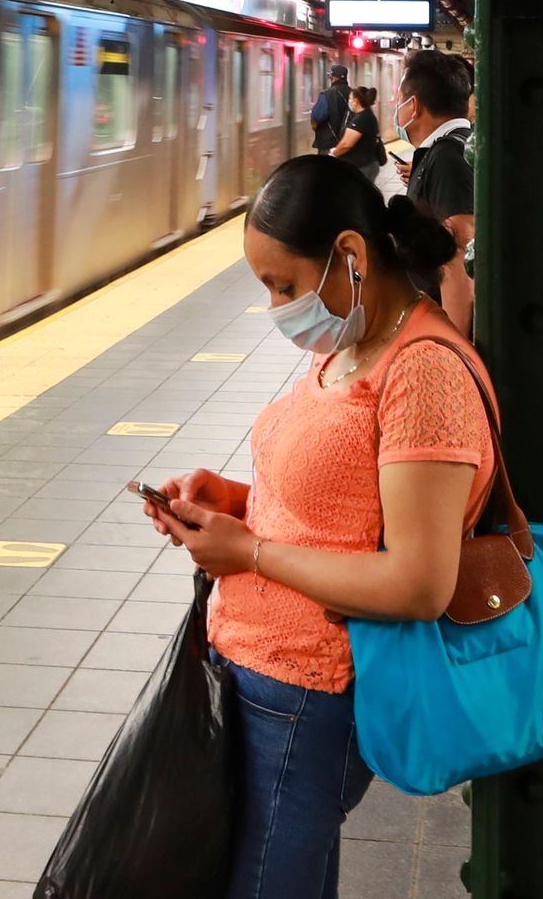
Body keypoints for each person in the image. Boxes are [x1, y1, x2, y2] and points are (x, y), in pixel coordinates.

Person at [145, 155, 497, 899]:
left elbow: (418, 581)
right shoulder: (352, 342)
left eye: (284, 285)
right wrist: (232, 502)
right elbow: (340, 511)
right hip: (259, 679)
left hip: (309, 693)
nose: (277, 306)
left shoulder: (423, 372)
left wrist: (249, 552)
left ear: (350, 255)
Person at [396, 50, 474, 334]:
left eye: (399, 101)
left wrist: (454, 341)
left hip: (440, 321)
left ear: (413, 106)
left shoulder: (446, 157)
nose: (397, 109)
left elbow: (459, 253)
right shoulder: (453, 147)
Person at [327, 86, 385, 182]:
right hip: (364, 165)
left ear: (356, 101)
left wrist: (334, 153)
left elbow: (346, 144)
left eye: (350, 99)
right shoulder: (365, 115)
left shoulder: (362, 119)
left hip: (362, 167)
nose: (349, 102)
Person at [309, 63, 351, 154]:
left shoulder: (327, 94)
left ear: (333, 78)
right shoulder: (354, 94)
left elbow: (316, 117)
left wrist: (317, 129)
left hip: (329, 144)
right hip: (349, 143)